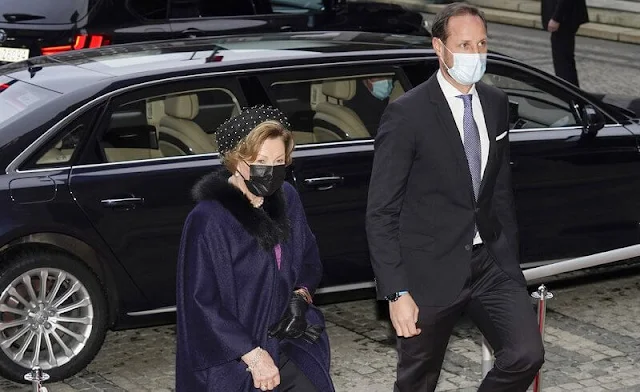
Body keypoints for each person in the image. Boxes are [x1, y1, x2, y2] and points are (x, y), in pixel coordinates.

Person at [365, 3, 545, 392]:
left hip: (489, 264)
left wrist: (509, 261)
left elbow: (498, 190)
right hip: (427, 270)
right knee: (418, 381)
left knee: (526, 354)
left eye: (481, 43)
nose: (475, 54)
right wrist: (396, 291)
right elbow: (381, 211)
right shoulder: (406, 114)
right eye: (464, 45)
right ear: (438, 47)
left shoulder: (496, 102)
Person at [175, 105, 335, 392]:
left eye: (279, 161)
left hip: (287, 344)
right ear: (237, 161)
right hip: (234, 360)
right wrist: (253, 355)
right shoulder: (208, 220)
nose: (271, 171)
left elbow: (308, 256)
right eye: (261, 160)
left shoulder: (287, 197)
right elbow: (200, 304)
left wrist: (300, 295)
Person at [541, 0, 589, 87]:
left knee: (563, 61)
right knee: (564, 60)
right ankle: (571, 92)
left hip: (565, 18)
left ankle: (569, 94)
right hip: (565, 16)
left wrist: (557, 18)